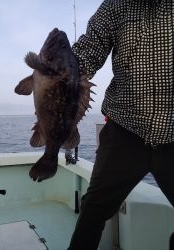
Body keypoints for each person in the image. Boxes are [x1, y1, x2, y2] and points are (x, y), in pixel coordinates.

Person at [68, 0, 174, 249]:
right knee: (93, 209)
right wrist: (61, 69)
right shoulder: (116, 5)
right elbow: (88, 51)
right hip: (124, 131)